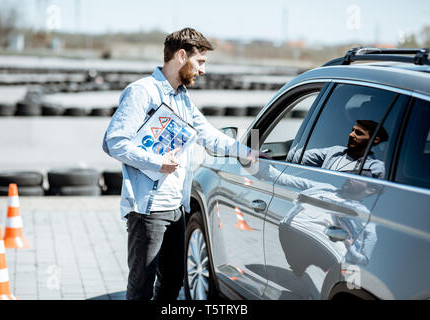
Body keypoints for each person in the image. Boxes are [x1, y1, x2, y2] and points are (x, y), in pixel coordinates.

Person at [102, 28, 254, 300]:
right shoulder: (142, 92)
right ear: (181, 56)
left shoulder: (181, 97)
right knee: (141, 288)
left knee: (173, 281)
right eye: (200, 62)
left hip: (177, 207)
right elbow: (114, 142)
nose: (203, 70)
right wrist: (156, 161)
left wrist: (246, 151)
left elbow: (206, 134)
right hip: (149, 209)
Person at [287, 119, 389, 179]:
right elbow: (296, 156)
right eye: (352, 130)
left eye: (358, 133)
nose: (351, 134)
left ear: (375, 140)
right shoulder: (335, 152)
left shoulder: (376, 168)